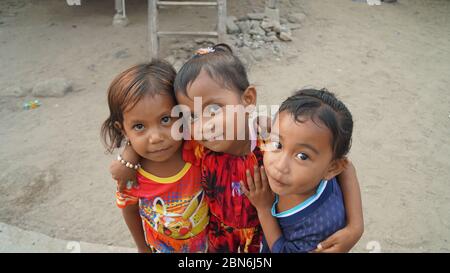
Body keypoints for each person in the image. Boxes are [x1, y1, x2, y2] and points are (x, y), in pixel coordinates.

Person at [110, 44, 363, 253]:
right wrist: (128, 157)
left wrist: (355, 227)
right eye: (191, 116)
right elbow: (155, 135)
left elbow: (341, 165)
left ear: (248, 99)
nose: (205, 125)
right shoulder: (198, 146)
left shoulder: (272, 143)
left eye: (213, 109)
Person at [101, 60, 209, 253]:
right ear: (123, 129)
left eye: (165, 119)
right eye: (139, 126)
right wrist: (142, 249)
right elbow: (130, 210)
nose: (156, 138)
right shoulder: (131, 175)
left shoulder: (197, 148)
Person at [242, 88, 362, 252]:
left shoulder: (317, 226)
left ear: (332, 168)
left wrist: (264, 209)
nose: (280, 166)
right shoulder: (322, 165)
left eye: (302, 156)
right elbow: (348, 168)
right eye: (278, 144)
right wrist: (356, 226)